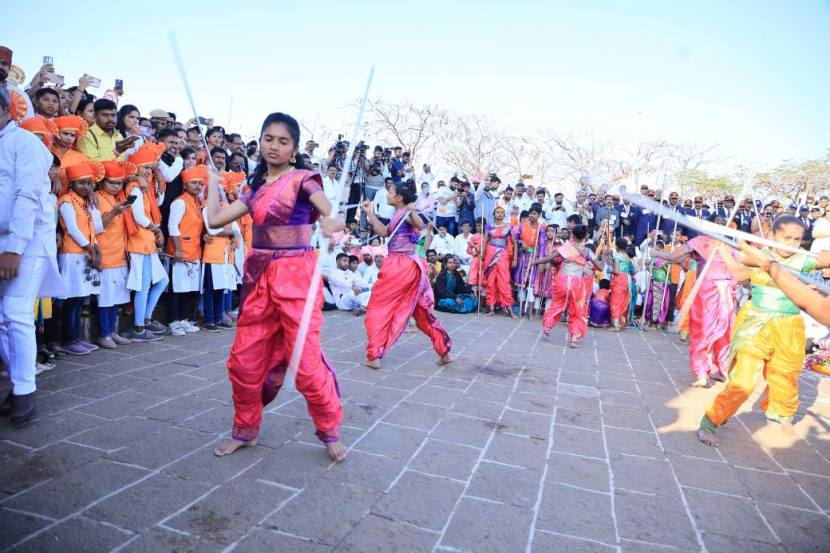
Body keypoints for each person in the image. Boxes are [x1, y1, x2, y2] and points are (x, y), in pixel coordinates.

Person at [205, 113, 345, 461]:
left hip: (296, 275)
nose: (274, 146)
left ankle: (329, 430)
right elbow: (214, 220)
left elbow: (324, 207)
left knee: (307, 363)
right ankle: (245, 429)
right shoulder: (255, 187)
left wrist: (331, 220)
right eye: (268, 138)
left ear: (295, 148)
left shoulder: (303, 179)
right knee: (243, 362)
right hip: (258, 276)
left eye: (283, 141)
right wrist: (211, 184)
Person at [698, 217, 830, 447]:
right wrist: (730, 251)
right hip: (756, 324)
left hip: (789, 328)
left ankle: (781, 416)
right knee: (743, 381)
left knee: (785, 375)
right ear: (772, 236)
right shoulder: (758, 255)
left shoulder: (803, 259)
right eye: (786, 238)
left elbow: (824, 259)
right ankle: (710, 421)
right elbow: (739, 274)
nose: (792, 243)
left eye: (797, 239)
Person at [0, 87, 64, 424]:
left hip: (29, 241)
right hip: (4, 242)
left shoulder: (24, 144)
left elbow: (26, 197)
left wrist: (13, 249)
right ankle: (19, 382)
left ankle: (24, 392)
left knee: (14, 311)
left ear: (5, 110)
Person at [361, 179, 452, 369]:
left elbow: (419, 223)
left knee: (378, 307)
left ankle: (374, 355)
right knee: (421, 310)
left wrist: (413, 209)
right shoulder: (398, 214)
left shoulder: (407, 213)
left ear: (400, 198)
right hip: (410, 266)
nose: (387, 194)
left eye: (390, 191)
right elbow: (385, 232)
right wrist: (369, 212)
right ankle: (444, 351)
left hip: (399, 265)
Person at [655, 225, 738, 387]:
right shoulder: (730, 244)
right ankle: (723, 370)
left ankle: (702, 372)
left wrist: (656, 253)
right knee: (724, 332)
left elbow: (675, 257)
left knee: (702, 331)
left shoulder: (700, 241)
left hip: (708, 292)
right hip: (726, 291)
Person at [57, 162, 104, 355]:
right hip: (72, 254)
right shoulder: (67, 201)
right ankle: (69, 340)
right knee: (71, 300)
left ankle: (76, 338)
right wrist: (91, 249)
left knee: (78, 299)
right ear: (72, 184)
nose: (85, 187)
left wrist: (94, 205)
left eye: (88, 183)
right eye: (81, 183)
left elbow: (96, 227)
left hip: (84, 253)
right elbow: (73, 230)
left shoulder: (85, 201)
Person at [125, 143, 169, 342]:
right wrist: (156, 228)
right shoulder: (134, 188)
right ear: (135, 169)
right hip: (139, 241)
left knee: (162, 281)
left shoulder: (145, 187)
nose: (148, 172)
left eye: (150, 168)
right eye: (145, 168)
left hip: (147, 241)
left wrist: (159, 184)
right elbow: (138, 216)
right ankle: (139, 327)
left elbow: (157, 204)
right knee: (143, 285)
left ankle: (146, 318)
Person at [535, 225, 602, 347]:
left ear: (573, 235)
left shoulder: (566, 248)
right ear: (585, 237)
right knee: (577, 309)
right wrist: (604, 256)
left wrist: (536, 262)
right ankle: (574, 338)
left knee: (557, 304)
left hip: (562, 280)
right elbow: (600, 267)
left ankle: (547, 327)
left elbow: (548, 258)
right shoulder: (587, 251)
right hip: (577, 282)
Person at [94, 161, 133, 348]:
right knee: (106, 298)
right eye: (112, 182)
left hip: (119, 254)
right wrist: (114, 212)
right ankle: (104, 334)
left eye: (119, 183)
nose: (116, 186)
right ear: (102, 182)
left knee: (116, 298)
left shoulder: (118, 198)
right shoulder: (97, 199)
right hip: (105, 255)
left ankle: (112, 332)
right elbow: (96, 227)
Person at [166, 165, 206, 336]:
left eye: (200, 183)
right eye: (194, 183)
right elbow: (172, 226)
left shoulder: (197, 203)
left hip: (194, 252)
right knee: (177, 290)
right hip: (180, 252)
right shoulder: (180, 202)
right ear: (185, 185)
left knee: (187, 289)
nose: (198, 186)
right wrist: (178, 249)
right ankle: (173, 322)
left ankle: (183, 319)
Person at [482, 206, 516, 317]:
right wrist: (482, 254)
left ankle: (509, 308)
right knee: (490, 281)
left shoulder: (508, 227)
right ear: (494, 214)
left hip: (502, 255)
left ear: (504, 215)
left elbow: (515, 243)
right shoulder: (489, 227)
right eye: (497, 212)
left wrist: (515, 258)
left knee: (504, 281)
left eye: (502, 212)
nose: (500, 214)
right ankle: (491, 308)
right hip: (490, 254)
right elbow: (485, 241)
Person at [513, 204, 546, 318]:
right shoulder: (522, 225)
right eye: (531, 213)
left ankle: (530, 311)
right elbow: (516, 238)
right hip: (523, 257)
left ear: (539, 215)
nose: (532, 216)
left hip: (534, 258)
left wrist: (541, 261)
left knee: (531, 285)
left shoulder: (541, 228)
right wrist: (521, 242)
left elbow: (542, 246)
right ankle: (521, 309)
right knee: (521, 284)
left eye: (535, 214)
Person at [609, 238, 634, 331]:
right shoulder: (626, 256)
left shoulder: (618, 256)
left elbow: (616, 271)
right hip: (626, 280)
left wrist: (610, 269)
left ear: (617, 246)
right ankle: (620, 321)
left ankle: (616, 325)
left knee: (615, 301)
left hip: (618, 280)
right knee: (622, 301)